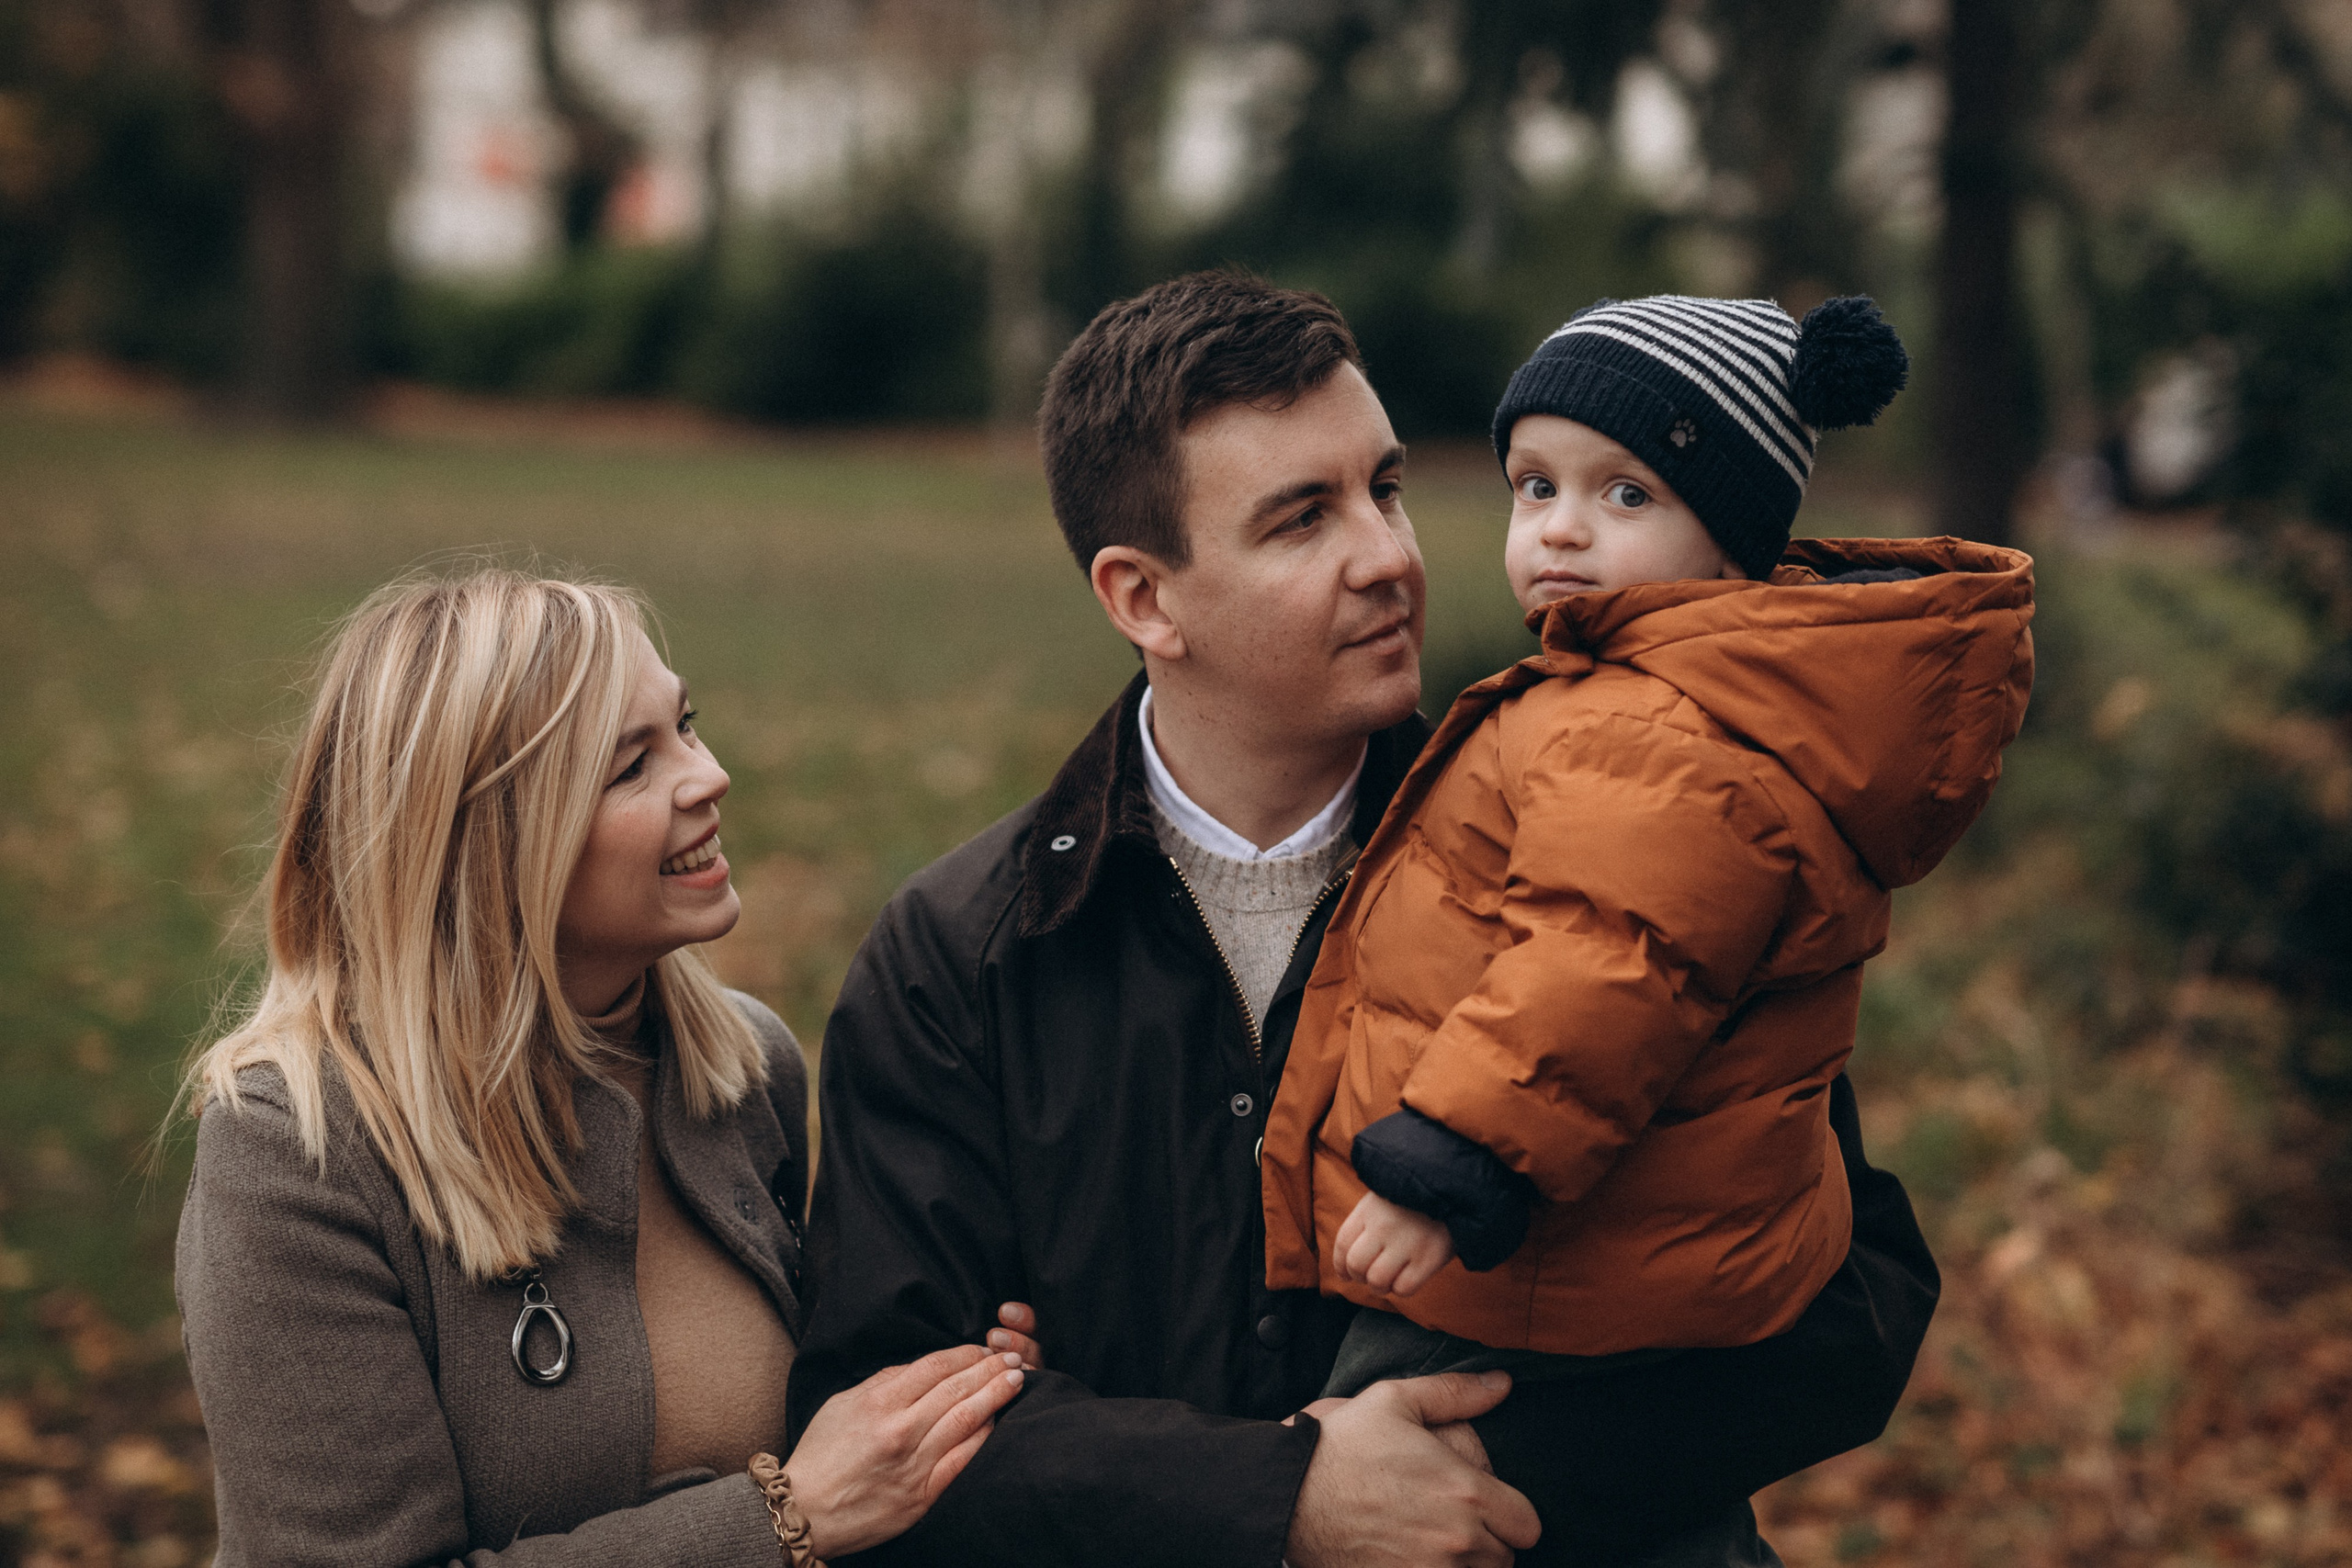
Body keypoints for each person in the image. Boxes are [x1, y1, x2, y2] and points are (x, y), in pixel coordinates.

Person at [786, 271, 1945, 1567]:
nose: (1390, 555)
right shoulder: (969, 951)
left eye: (1385, 489)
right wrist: (1283, 1497)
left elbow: (1856, 1300)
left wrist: (1478, 1480)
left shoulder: (1605, 841)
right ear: (1144, 599)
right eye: (1302, 519)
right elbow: (880, 1435)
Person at [1259, 296, 2035, 1424]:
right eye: (1536, 487)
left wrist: (1448, 1167)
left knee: (1365, 1465)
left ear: (1731, 538)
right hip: (1602, 1251)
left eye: (1626, 495)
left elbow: (1607, 965)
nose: (1561, 530)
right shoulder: (1650, 697)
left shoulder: (1659, 733)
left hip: (1539, 1270)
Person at [175, 570, 1042, 1566]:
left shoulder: (741, 1072)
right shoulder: (297, 1152)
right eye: (633, 765)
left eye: (686, 725)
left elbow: (828, 1439)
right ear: (486, 838)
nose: (708, 775)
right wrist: (780, 1521)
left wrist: (952, 1392)